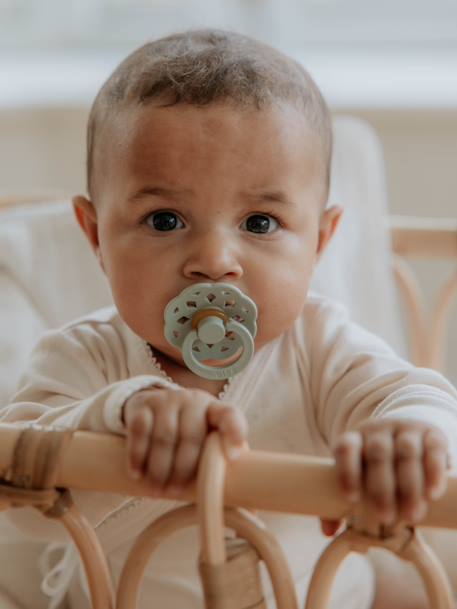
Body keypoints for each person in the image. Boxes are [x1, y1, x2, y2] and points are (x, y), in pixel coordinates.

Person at [2, 28, 457, 609]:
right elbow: (23, 494)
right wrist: (119, 415)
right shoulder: (84, 355)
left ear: (320, 242)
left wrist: (407, 433)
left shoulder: (320, 346)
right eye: (165, 220)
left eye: (260, 223)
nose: (215, 262)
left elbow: (413, 392)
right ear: (96, 236)